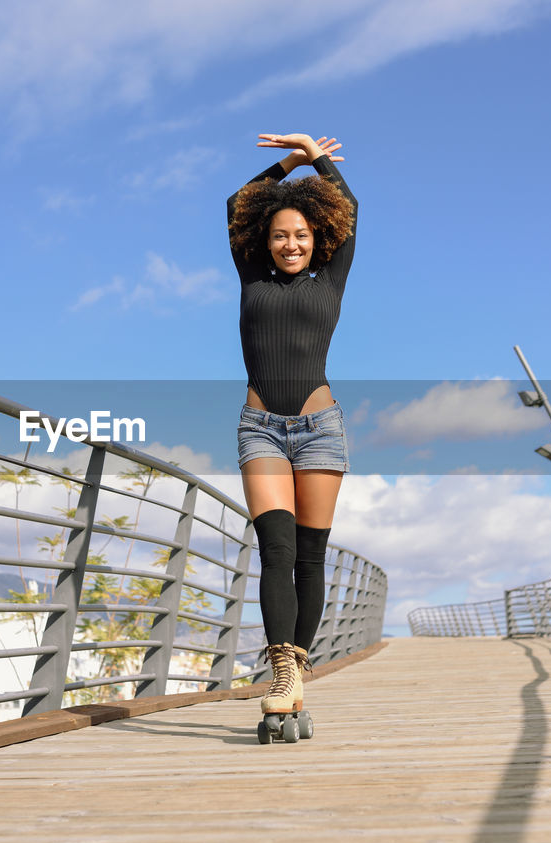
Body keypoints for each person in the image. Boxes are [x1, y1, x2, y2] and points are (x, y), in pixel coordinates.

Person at [227, 132, 356, 729]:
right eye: (280, 235)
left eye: (301, 235)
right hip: (261, 429)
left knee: (310, 555)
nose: (290, 244)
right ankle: (282, 670)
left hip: (319, 427)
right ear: (267, 242)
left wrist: (318, 157)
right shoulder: (251, 274)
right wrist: (290, 163)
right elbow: (239, 200)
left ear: (316, 240)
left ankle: (296, 666)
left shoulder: (328, 280)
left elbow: (348, 206)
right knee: (275, 550)